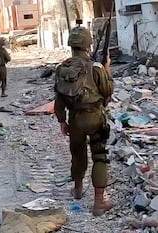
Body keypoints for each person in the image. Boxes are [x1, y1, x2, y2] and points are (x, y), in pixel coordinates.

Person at [54, 25, 114, 216]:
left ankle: (78, 189)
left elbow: (59, 99)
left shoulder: (62, 69)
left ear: (71, 45)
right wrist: (107, 70)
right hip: (95, 117)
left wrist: (62, 121)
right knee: (99, 156)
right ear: (88, 44)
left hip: (75, 120)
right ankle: (99, 202)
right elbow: (108, 92)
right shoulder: (95, 68)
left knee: (78, 154)